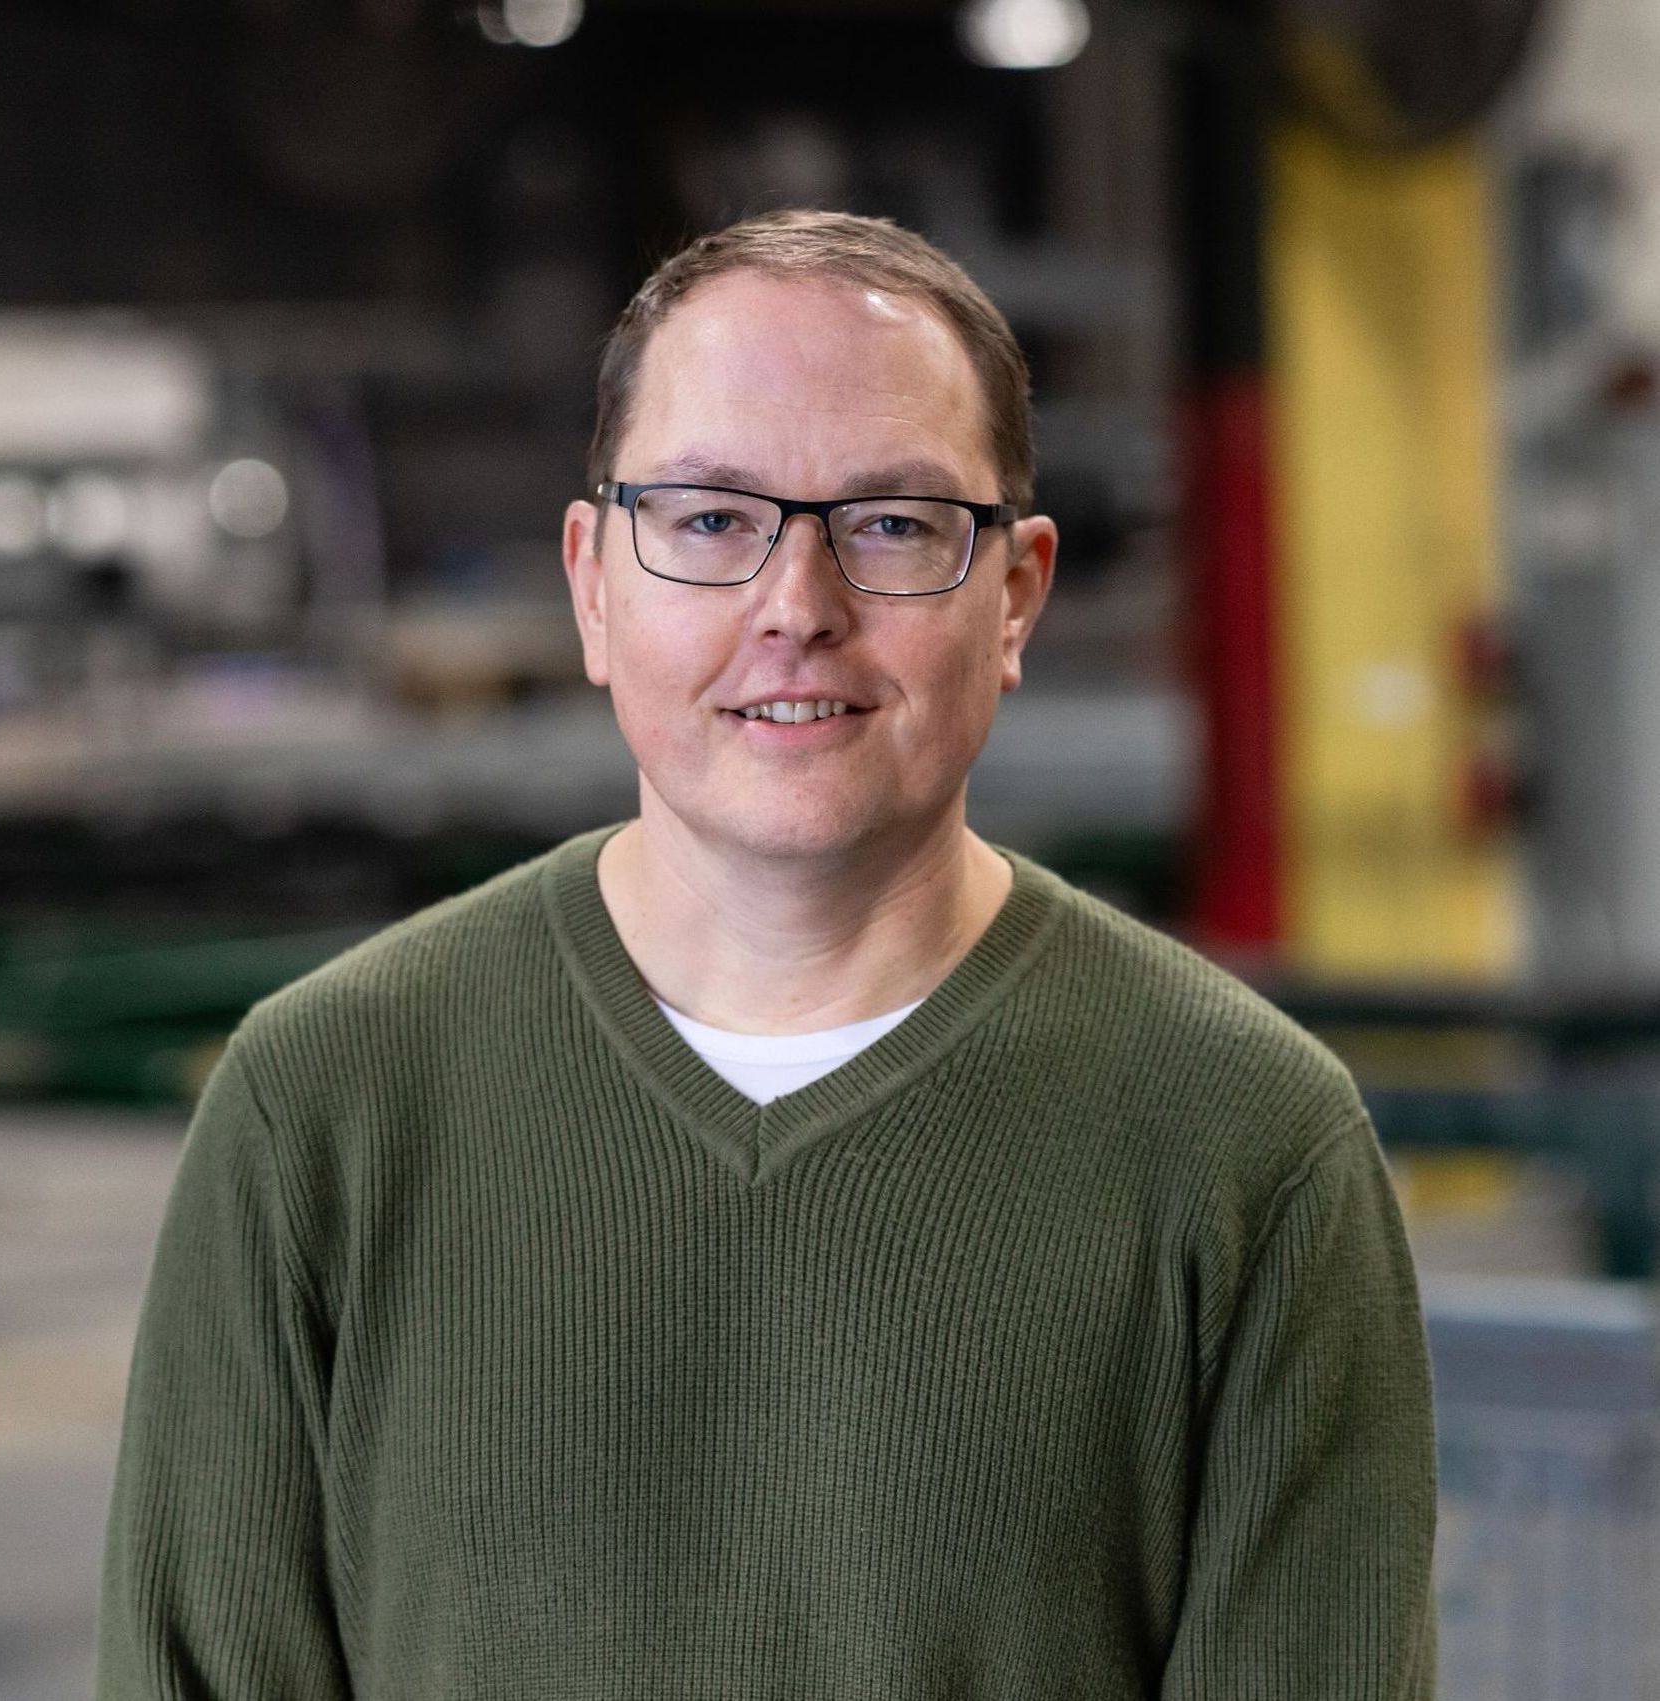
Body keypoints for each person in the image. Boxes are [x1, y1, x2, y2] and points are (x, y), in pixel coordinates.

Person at [97, 209, 1437, 1698]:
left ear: (1017, 595)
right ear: (593, 578)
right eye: (713, 518)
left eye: (892, 524)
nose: (797, 608)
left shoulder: (1247, 1146)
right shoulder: (321, 1113)